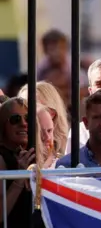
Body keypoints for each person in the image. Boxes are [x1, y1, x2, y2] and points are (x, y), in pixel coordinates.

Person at [0, 98, 34, 228]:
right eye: (15, 119)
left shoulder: (28, 154)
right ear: (3, 125)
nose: (24, 124)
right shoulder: (2, 158)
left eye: (27, 118)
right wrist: (19, 178)